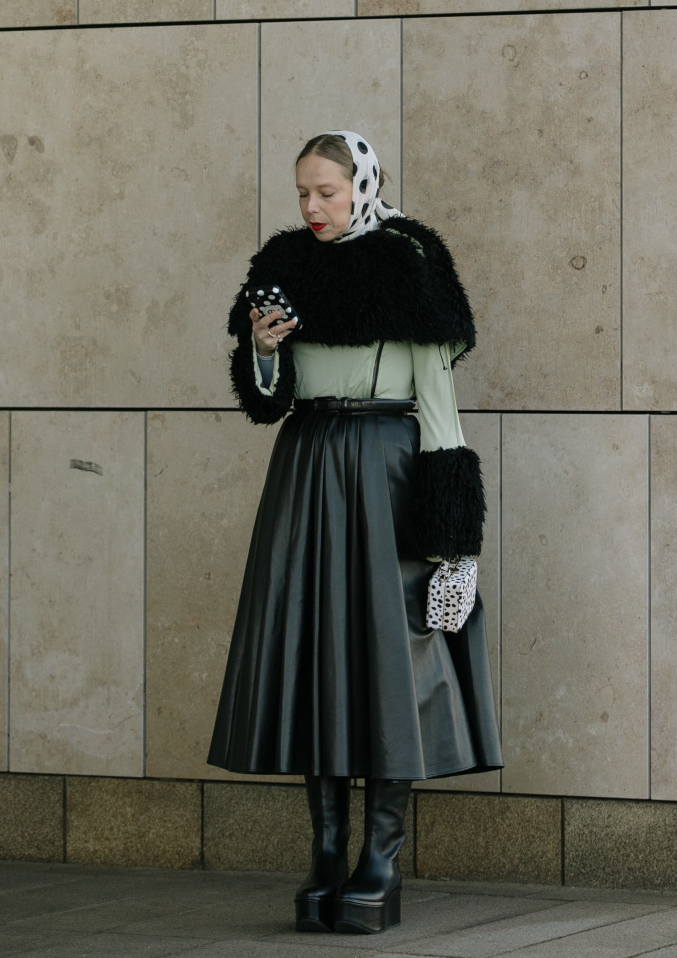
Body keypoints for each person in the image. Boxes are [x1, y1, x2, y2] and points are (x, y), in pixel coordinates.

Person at [207, 131, 501, 935]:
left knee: (390, 665)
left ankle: (380, 860)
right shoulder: (285, 261)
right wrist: (262, 353)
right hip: (305, 468)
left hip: (387, 472)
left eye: (327, 193)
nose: (311, 207)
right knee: (316, 659)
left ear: (363, 185)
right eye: (302, 192)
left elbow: (440, 413)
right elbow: (269, 400)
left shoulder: (409, 261)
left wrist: (454, 545)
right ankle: (326, 854)